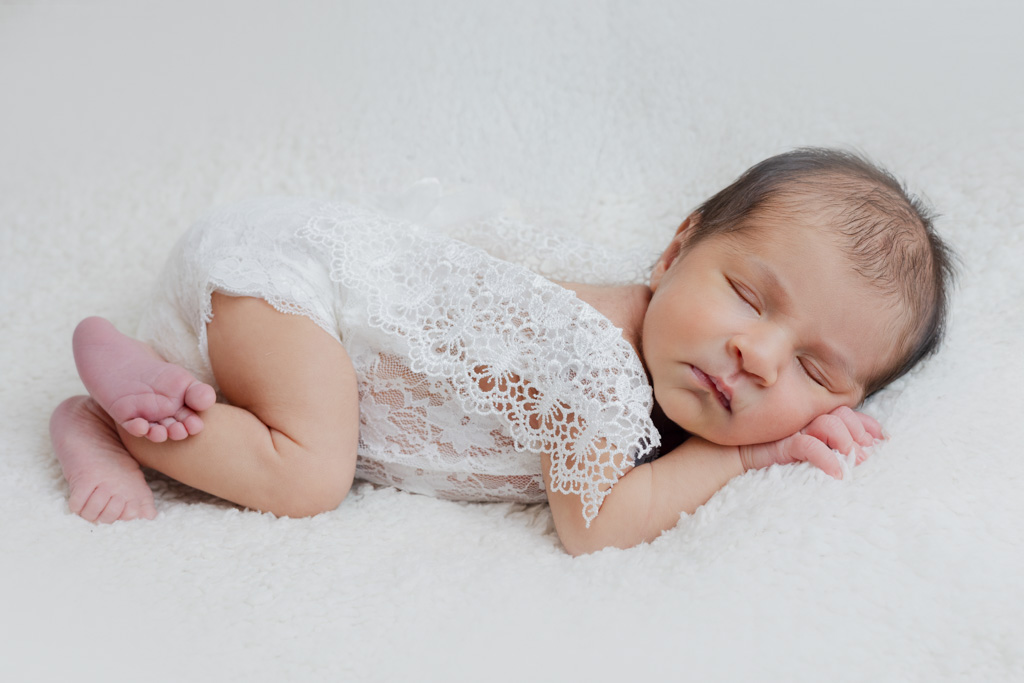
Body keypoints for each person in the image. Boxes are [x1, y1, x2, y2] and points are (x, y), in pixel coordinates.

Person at [49, 148, 957, 556]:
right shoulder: (599, 363)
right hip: (294, 283)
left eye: (813, 371)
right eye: (750, 296)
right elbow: (592, 525)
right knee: (309, 474)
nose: (758, 354)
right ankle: (106, 422)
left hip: (280, 302)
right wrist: (747, 449)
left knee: (303, 420)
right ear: (678, 250)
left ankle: (169, 375)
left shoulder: (641, 347)